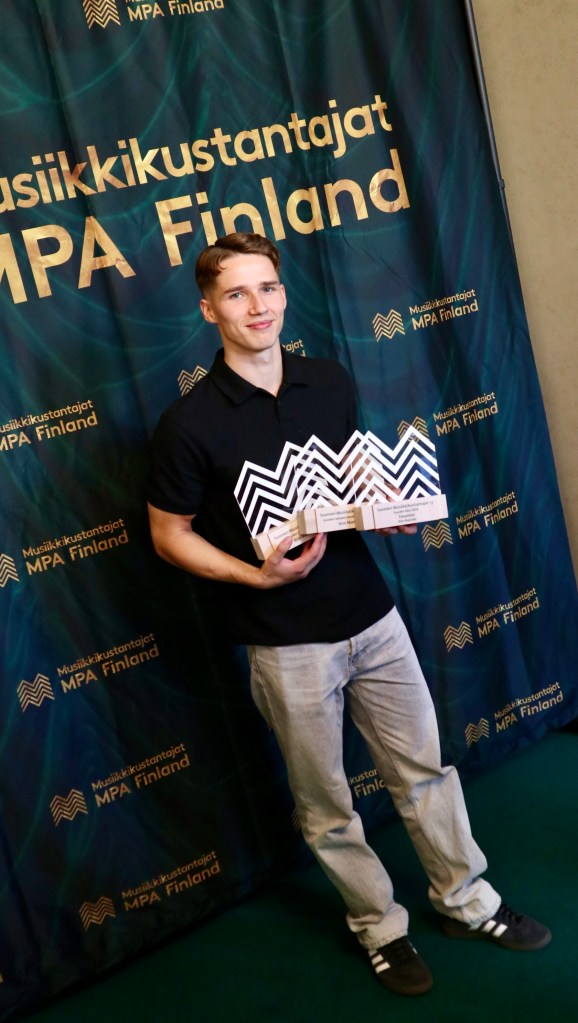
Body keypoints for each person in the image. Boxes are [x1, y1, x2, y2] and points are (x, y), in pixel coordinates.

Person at [147, 232, 551, 996]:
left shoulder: (328, 381)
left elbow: (343, 492)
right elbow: (169, 535)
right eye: (236, 293)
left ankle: (465, 900)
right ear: (208, 309)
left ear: (283, 294)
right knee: (328, 805)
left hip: (373, 615)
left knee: (425, 771)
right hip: (284, 643)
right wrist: (254, 575)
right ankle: (379, 928)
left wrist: (385, 511)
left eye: (267, 287)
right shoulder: (189, 423)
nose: (257, 306)